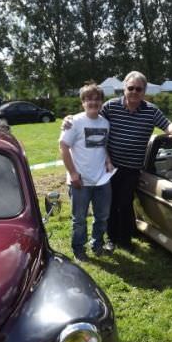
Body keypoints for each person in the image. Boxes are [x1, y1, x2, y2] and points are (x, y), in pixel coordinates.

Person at [63, 71, 172, 253]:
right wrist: (68, 119)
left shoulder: (151, 110)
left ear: (144, 91)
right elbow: (91, 113)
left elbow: (167, 125)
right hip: (109, 167)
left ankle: (125, 238)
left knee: (125, 202)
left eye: (139, 89)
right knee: (111, 205)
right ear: (124, 89)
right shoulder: (111, 106)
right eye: (131, 88)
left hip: (132, 168)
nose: (134, 92)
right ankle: (112, 239)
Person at [59, 83, 114, 262]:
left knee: (102, 216)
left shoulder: (105, 123)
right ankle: (78, 249)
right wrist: (73, 173)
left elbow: (102, 145)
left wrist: (108, 161)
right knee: (79, 219)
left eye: (97, 99)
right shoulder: (74, 122)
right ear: (82, 102)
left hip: (102, 181)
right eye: (89, 99)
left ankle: (97, 245)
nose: (93, 102)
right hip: (80, 182)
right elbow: (63, 146)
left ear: (101, 102)